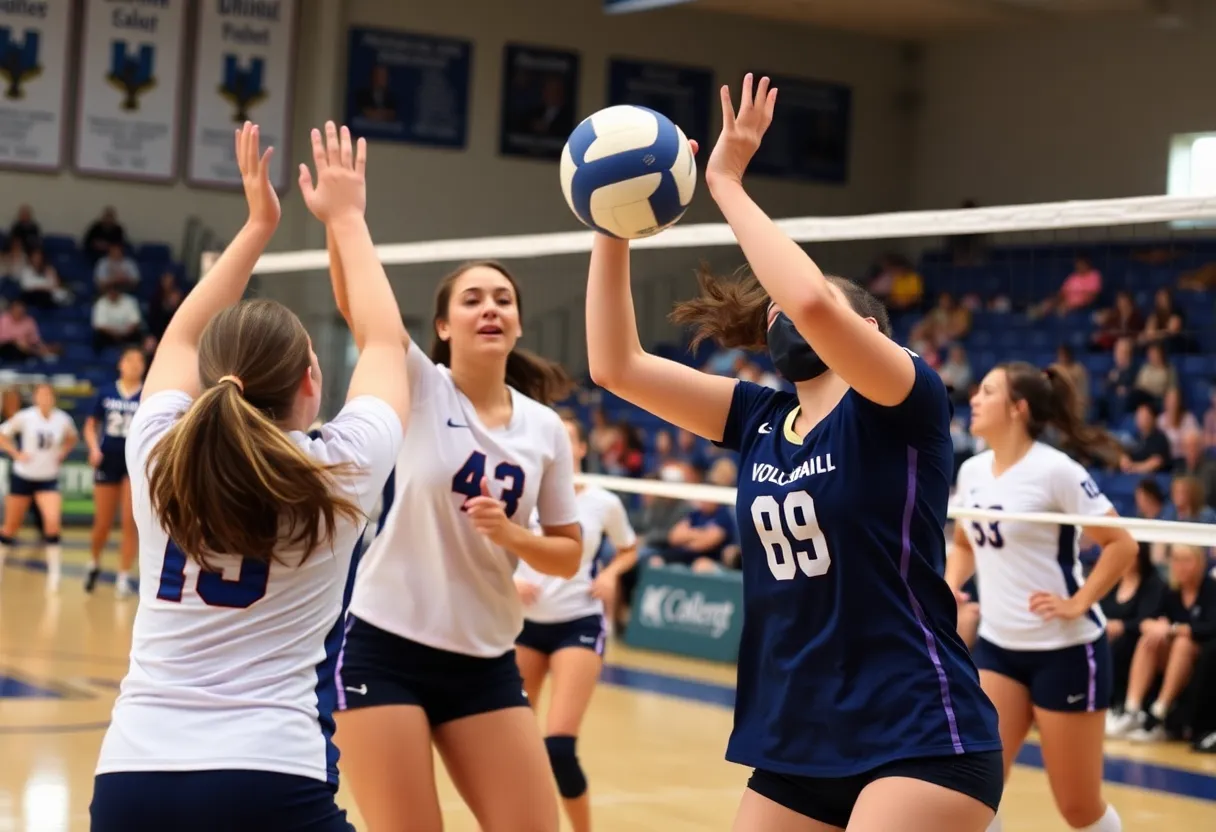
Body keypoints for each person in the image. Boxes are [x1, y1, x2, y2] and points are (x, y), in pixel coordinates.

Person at [586, 73, 1003, 832]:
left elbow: (809, 299)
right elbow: (616, 366)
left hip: (916, 728)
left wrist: (725, 182)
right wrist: (611, 222)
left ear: (871, 333)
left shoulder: (904, 403)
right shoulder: (759, 419)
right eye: (771, 306)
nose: (783, 309)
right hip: (796, 735)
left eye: (806, 303)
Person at [89, 121, 409, 831]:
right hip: (267, 776)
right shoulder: (340, 468)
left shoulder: (157, 453)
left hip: (131, 776)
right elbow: (387, 342)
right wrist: (347, 218)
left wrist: (258, 224)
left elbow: (177, 336)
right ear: (311, 379)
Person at [329, 254, 583, 825]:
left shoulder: (545, 428)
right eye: (472, 299)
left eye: (502, 299)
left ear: (518, 324)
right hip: (385, 647)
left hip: (485, 659)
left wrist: (512, 534)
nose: (490, 308)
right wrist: (344, 216)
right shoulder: (421, 385)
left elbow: (568, 556)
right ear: (443, 326)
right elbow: (358, 307)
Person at [949, 362, 1137, 832]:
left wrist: (1077, 603)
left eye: (987, 391)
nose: (974, 398)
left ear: (1018, 408)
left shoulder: (1055, 471)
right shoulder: (971, 471)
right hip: (998, 648)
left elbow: (1122, 545)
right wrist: (951, 584)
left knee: (1078, 807)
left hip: (1066, 652)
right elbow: (966, 541)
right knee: (977, 791)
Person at [514, 413, 639, 832]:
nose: (563, 446)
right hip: (524, 627)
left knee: (559, 748)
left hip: (577, 623)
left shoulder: (604, 501)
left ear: (583, 449)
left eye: (571, 440)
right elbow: (492, 544)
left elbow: (629, 549)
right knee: (515, 747)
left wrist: (609, 574)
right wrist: (512, 579)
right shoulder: (525, 493)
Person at [0, 382, 77, 593]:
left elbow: (72, 438)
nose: (44, 398)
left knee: (52, 523)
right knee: (10, 527)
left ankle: (54, 574)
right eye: (40, 394)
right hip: (23, 476)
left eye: (48, 394)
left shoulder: (63, 419)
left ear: (53, 397)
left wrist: (63, 452)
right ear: (35, 398)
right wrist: (16, 454)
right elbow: (2, 435)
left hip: (48, 478)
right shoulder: (25, 417)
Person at [83, 346, 146, 598]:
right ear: (121, 364)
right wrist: (92, 448)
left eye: (140, 361)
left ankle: (123, 576)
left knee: (130, 522)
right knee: (103, 523)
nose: (135, 365)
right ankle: (94, 562)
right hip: (108, 458)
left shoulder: (148, 393)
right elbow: (90, 426)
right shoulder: (106, 392)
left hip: (134, 462)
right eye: (130, 360)